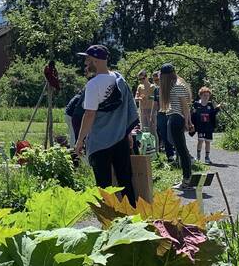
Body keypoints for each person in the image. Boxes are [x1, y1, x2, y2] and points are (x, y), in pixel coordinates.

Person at [74, 45, 139, 206]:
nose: (85, 63)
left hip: (100, 143)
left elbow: (89, 115)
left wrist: (80, 140)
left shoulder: (93, 85)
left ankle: (108, 222)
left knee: (104, 187)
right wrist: (128, 133)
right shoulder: (119, 80)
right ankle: (133, 218)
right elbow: (127, 110)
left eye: (87, 59)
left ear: (95, 61)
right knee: (126, 182)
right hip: (120, 139)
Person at [159, 63, 194, 190]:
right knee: (181, 150)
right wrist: (188, 121)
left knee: (182, 151)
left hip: (176, 118)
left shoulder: (177, 86)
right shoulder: (177, 84)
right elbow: (186, 107)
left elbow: (185, 106)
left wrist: (188, 122)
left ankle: (186, 180)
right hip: (176, 118)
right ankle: (186, 178)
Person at [191, 86, 221, 164]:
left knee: (208, 142)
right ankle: (198, 157)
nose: (206, 97)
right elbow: (193, 115)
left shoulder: (210, 104)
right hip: (200, 126)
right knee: (200, 140)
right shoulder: (196, 104)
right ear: (200, 95)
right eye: (204, 95)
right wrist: (191, 124)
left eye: (208, 95)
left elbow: (213, 114)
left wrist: (217, 108)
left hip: (208, 127)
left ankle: (207, 158)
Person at [151, 71, 175, 161]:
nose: (156, 81)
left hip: (170, 113)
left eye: (157, 79)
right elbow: (155, 103)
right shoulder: (156, 90)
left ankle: (179, 154)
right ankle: (170, 156)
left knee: (172, 134)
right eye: (154, 80)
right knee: (164, 135)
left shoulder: (170, 88)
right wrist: (152, 115)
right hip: (160, 114)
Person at [135, 70, 156, 137]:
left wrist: (148, 97)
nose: (141, 80)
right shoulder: (140, 87)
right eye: (140, 79)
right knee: (143, 129)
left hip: (151, 110)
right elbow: (136, 98)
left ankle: (156, 146)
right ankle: (145, 146)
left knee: (152, 129)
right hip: (142, 110)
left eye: (143, 78)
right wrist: (140, 98)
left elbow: (156, 98)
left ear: (147, 77)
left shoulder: (153, 86)